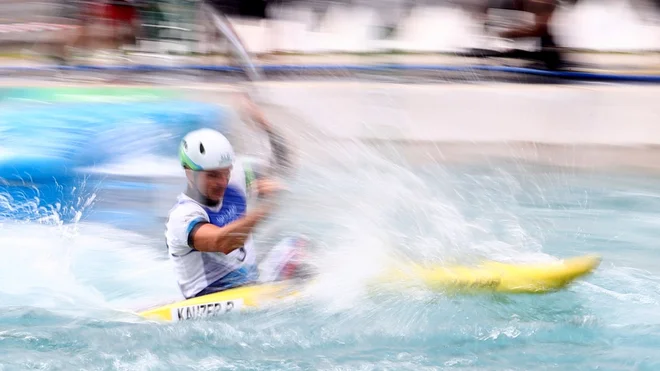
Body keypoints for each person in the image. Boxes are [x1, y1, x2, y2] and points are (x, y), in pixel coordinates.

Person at [165, 102, 308, 300]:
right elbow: (223, 242)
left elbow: (283, 167)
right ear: (189, 173)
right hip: (211, 297)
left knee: (297, 246)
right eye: (212, 176)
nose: (222, 182)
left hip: (251, 285)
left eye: (226, 173)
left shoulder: (238, 176)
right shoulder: (183, 216)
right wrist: (264, 208)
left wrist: (265, 127)